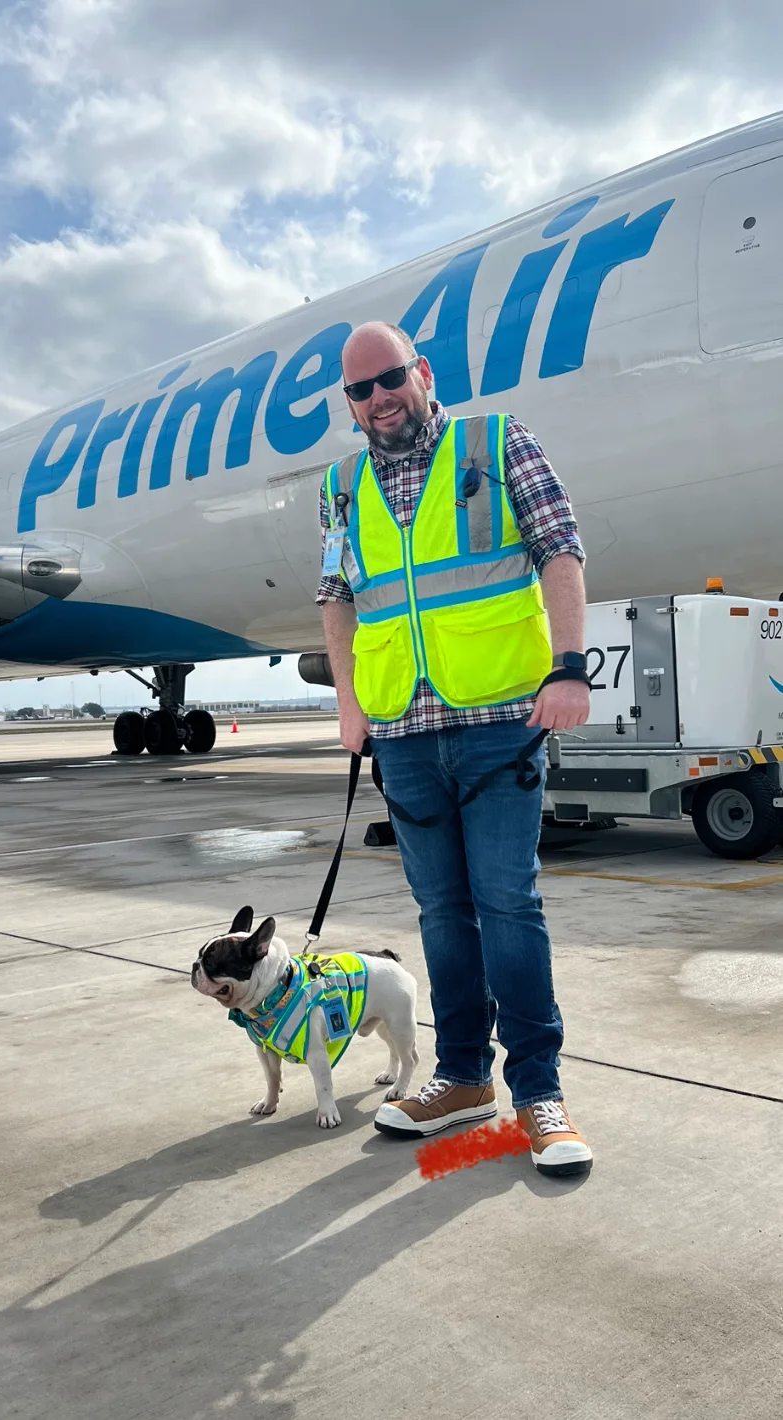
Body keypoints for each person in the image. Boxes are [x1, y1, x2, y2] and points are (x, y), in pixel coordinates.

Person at [317, 321, 593, 1177]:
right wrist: (350, 704)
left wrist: (569, 667)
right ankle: (462, 1078)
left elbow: (559, 548)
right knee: (441, 913)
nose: (377, 400)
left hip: (496, 718)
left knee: (508, 902)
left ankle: (537, 1093)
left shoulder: (494, 440)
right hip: (400, 730)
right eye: (359, 391)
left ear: (421, 373)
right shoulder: (340, 483)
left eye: (389, 379)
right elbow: (336, 595)